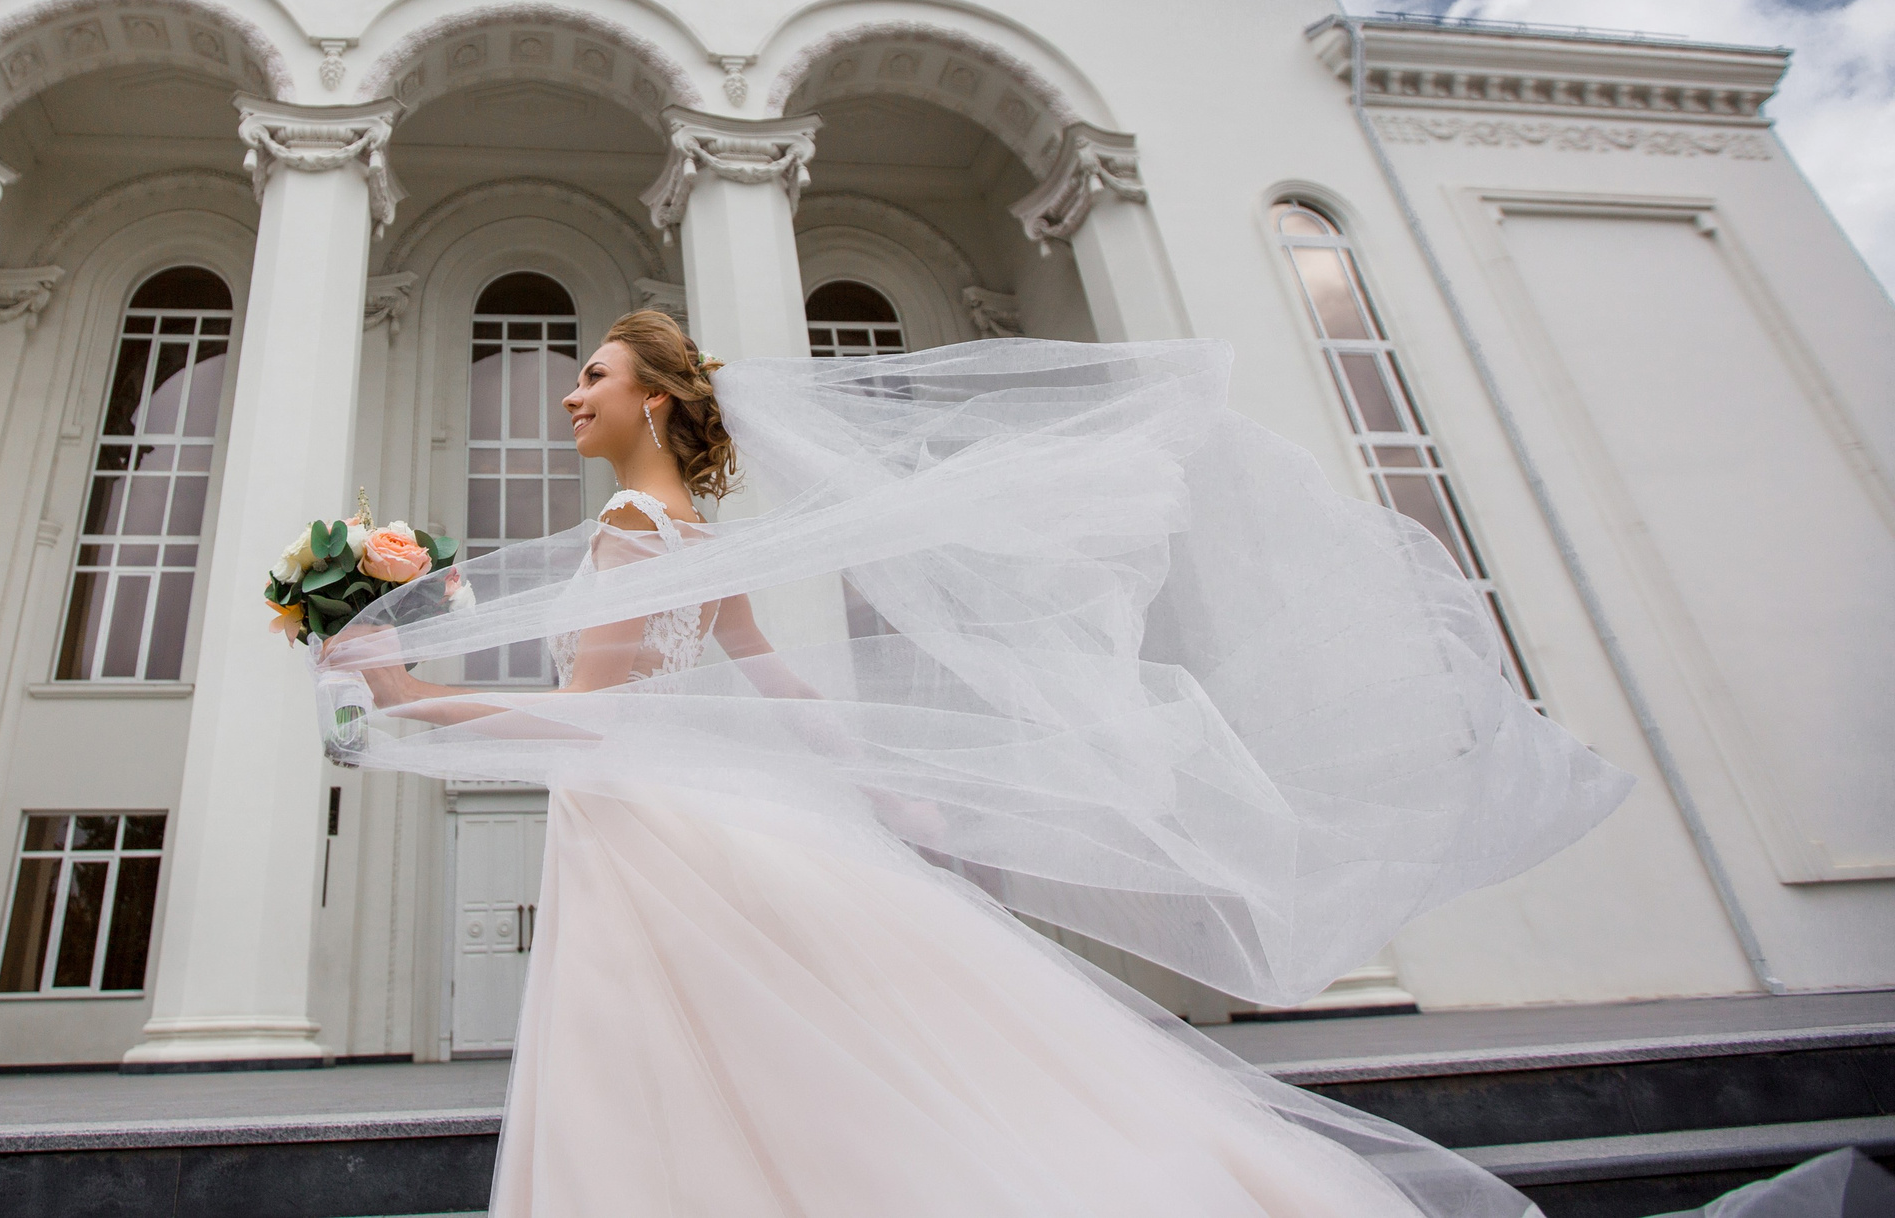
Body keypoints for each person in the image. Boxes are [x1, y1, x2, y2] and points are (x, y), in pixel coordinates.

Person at [317, 311, 1633, 1217]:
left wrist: (413, 695)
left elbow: (592, 720)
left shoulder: (625, 528)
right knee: (794, 1055)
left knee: (665, 1067)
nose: (571, 394)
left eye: (594, 376)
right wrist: (882, 782)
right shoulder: (695, 534)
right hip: (691, 816)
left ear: (651, 398)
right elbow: (772, 674)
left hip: (643, 832)